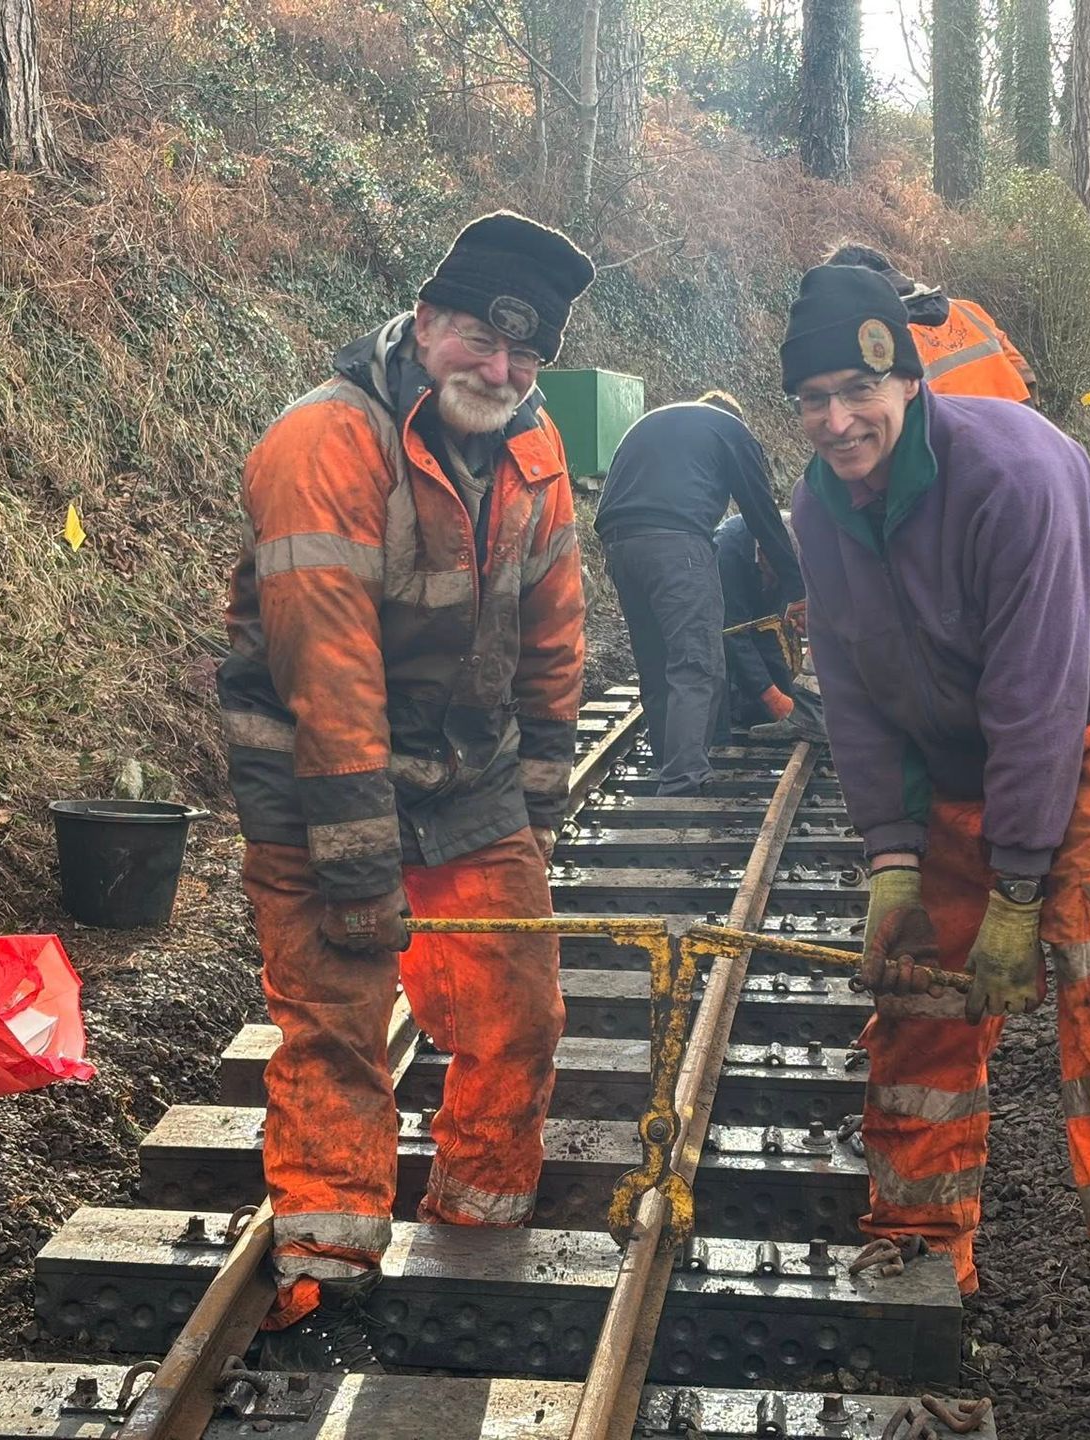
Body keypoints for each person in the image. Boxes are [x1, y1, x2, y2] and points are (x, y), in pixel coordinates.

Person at [782, 263, 1090, 1421]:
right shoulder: (819, 506)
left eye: (857, 390)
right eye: (813, 399)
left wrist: (1017, 890)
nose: (838, 420)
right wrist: (892, 863)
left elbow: (1038, 697)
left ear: (906, 381)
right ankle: (916, 1248)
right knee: (920, 992)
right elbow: (852, 693)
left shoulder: (1009, 473)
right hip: (951, 751)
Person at [217, 211, 593, 1369]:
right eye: (481, 338)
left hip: (465, 776)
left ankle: (478, 1223)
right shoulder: (326, 442)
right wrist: (361, 874)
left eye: (524, 355)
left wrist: (535, 816)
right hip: (315, 781)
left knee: (519, 1011)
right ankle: (325, 1271)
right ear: (426, 323)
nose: (501, 370)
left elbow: (554, 642)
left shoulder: (534, 449)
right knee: (337, 1024)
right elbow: (328, 675)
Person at [593, 391, 800, 793]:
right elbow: (761, 513)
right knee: (696, 661)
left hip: (619, 546)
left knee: (657, 663)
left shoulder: (653, 424)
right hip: (678, 545)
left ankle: (666, 760)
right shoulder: (732, 430)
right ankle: (683, 778)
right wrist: (797, 588)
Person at [824, 241, 1034, 402]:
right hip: (1024, 424)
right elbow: (1022, 370)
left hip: (963, 441)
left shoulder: (882, 339)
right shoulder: (967, 309)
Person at [713, 511, 799, 730]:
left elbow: (768, 629)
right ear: (762, 555)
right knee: (725, 668)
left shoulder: (789, 552)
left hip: (756, 600)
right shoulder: (727, 551)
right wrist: (772, 698)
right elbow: (733, 633)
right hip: (718, 624)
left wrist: (788, 697)